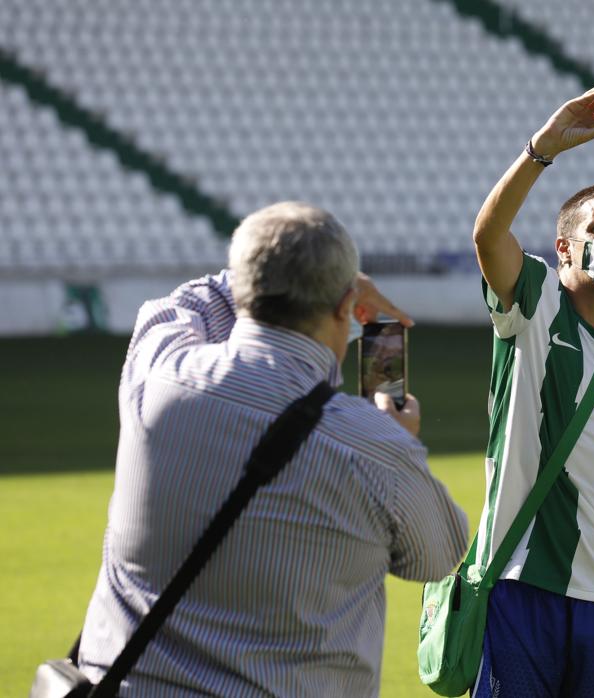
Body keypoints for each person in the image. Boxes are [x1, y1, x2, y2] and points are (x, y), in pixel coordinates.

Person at [77, 202, 470, 695]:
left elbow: (179, 303)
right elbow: (439, 555)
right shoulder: (373, 445)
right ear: (345, 307)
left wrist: (253, 277)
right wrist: (399, 440)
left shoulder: (160, 372)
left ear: (245, 290)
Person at [467, 85, 594, 697]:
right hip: (523, 582)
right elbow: (488, 236)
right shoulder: (533, 304)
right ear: (564, 247)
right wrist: (542, 149)